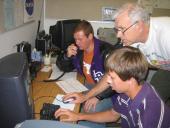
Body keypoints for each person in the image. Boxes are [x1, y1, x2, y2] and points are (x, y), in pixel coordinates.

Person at [63, 2, 170, 105]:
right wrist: (85, 97)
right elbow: (112, 72)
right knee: (149, 101)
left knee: (152, 104)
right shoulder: (128, 41)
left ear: (139, 25)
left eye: (122, 29)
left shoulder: (166, 34)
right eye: (117, 29)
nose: (118, 35)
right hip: (165, 67)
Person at [55, 46, 170, 128]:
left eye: (112, 77)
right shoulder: (127, 92)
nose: (108, 82)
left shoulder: (149, 114)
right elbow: (113, 114)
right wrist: (78, 116)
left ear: (130, 79)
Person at [56, 20, 122, 127]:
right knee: (69, 99)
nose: (77, 42)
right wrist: (66, 56)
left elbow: (114, 80)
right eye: (75, 39)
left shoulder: (106, 51)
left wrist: (98, 97)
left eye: (80, 39)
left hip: (110, 92)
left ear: (90, 36)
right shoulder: (79, 49)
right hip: (88, 85)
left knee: (91, 108)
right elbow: (63, 67)